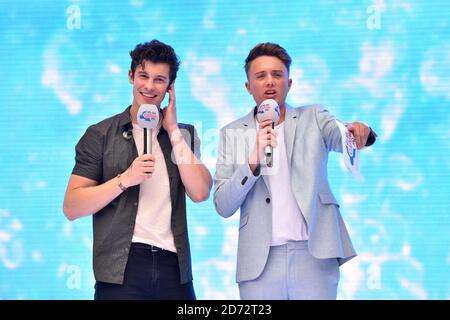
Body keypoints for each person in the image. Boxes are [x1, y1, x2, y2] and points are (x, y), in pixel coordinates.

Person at [213, 42, 377, 300]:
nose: (270, 82)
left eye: (277, 75)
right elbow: (223, 205)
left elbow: (343, 136)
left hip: (314, 254)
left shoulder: (314, 117)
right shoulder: (231, 133)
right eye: (261, 76)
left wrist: (361, 133)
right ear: (248, 87)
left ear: (289, 83)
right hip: (259, 262)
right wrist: (253, 161)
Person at [63, 40, 212, 300]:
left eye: (159, 80)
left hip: (174, 268)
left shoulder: (184, 134)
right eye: (143, 76)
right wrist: (125, 179)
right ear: (131, 76)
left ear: (169, 87)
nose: (150, 86)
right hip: (121, 268)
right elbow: (72, 207)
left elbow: (200, 192)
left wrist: (173, 130)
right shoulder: (100, 134)